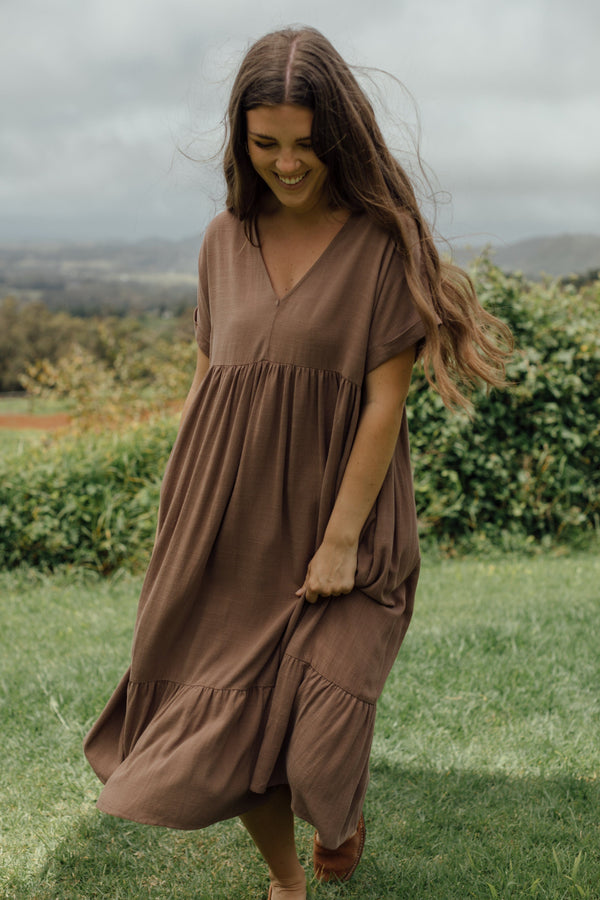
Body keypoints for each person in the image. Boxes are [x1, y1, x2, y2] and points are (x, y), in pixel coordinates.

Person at [84, 26, 511, 900]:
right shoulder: (222, 241)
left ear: (340, 135)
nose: (286, 163)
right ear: (241, 139)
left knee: (319, 727)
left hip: (345, 522)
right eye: (265, 143)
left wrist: (341, 541)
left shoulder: (381, 246)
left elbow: (383, 404)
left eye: (306, 144)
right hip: (228, 527)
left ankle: (339, 817)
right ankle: (287, 880)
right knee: (239, 723)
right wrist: (179, 509)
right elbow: (208, 381)